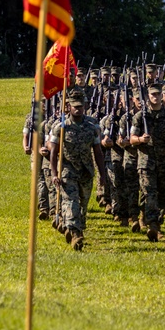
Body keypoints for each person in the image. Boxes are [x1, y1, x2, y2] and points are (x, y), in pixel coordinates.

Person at [48, 87, 109, 251]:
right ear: (68, 107)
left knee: (83, 205)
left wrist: (102, 175)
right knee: (71, 202)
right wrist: (54, 174)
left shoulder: (92, 127)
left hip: (86, 172)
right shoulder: (60, 127)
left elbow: (98, 152)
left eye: (80, 106)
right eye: (75, 106)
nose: (78, 109)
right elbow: (53, 153)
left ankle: (76, 227)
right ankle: (75, 233)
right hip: (68, 171)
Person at [129, 82, 165, 241]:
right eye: (153, 95)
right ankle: (154, 226)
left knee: (164, 196)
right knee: (150, 193)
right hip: (146, 161)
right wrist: (140, 139)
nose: (156, 97)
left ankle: (147, 216)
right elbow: (131, 139)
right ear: (148, 97)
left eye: (158, 94)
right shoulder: (140, 117)